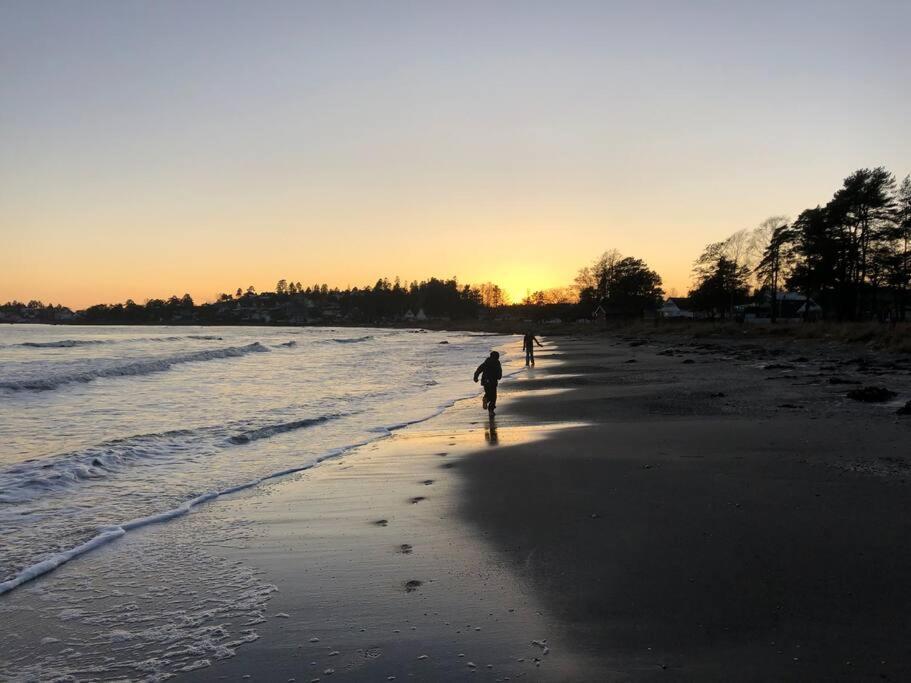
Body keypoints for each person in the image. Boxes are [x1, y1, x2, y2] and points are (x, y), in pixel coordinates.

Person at [473, 351, 503, 415]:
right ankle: (491, 410)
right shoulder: (496, 362)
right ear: (496, 357)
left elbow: (479, 369)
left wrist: (475, 377)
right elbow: (499, 371)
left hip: (485, 381)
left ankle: (485, 399)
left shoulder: (486, 362)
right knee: (493, 396)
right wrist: (499, 377)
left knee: (488, 393)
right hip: (492, 381)